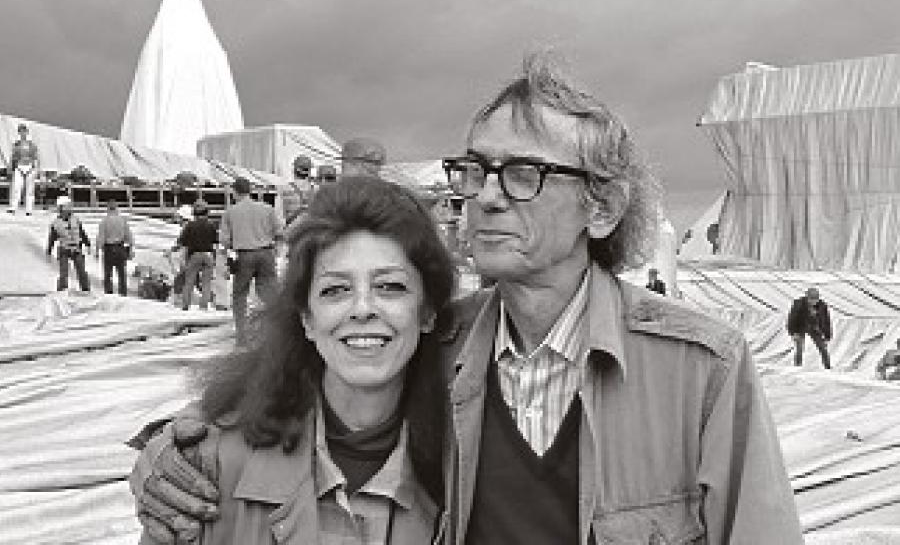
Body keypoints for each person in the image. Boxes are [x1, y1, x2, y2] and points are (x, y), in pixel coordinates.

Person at [129, 53, 803, 543]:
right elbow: (295, 390)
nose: (484, 194)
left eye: (523, 173)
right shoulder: (433, 339)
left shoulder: (698, 372)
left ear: (603, 209)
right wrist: (169, 452)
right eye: (476, 169)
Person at [131, 176, 452, 544]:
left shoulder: (466, 472)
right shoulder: (209, 466)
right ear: (307, 319)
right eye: (336, 290)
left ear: (427, 312)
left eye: (390, 286)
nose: (362, 308)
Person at [219, 177, 283, 345]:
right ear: (250, 191)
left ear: (234, 192)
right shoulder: (267, 209)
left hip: (244, 256)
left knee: (240, 295)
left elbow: (224, 242)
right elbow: (279, 232)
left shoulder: (230, 212)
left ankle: (242, 337)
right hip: (266, 254)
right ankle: (281, 332)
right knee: (270, 294)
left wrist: (227, 262)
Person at [175, 200, 218, 311]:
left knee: (189, 282)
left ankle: (185, 306)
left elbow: (183, 244)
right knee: (206, 283)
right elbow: (216, 243)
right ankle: (203, 306)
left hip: (194, 256)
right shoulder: (211, 225)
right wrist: (215, 258)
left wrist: (182, 259)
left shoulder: (190, 226)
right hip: (208, 255)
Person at [46, 196, 91, 292]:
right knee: (64, 272)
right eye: (67, 207)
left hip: (76, 247)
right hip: (64, 249)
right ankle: (62, 289)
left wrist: (88, 244)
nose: (69, 209)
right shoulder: (56, 223)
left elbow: (81, 232)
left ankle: (85, 289)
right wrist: (49, 251)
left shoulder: (75, 219)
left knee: (81, 271)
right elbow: (52, 238)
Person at [95, 199, 134, 295]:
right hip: (120, 248)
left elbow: (101, 237)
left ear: (107, 208)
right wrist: (131, 248)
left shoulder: (104, 222)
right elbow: (129, 236)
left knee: (108, 274)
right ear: (117, 208)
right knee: (122, 274)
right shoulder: (122, 220)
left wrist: (97, 250)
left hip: (108, 249)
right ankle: (123, 293)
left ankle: (109, 294)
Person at [787, 286, 832, 369]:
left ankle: (828, 367)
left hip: (814, 327)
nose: (813, 302)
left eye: (815, 300)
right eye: (811, 299)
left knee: (822, 347)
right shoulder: (798, 304)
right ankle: (797, 366)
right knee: (799, 347)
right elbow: (792, 318)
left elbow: (826, 321)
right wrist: (793, 333)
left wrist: (827, 336)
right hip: (800, 327)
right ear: (807, 297)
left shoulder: (822, 306)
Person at [7, 123, 40, 215]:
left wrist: (36, 169)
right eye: (21, 131)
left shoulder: (32, 145)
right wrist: (10, 167)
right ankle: (13, 207)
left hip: (29, 167)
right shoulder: (16, 145)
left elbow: (36, 158)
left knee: (30, 189)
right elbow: (13, 157)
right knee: (17, 187)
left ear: (27, 132)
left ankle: (29, 209)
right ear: (19, 133)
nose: (22, 133)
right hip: (19, 167)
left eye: (24, 131)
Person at [275, 154, 315, 226]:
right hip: (311, 233)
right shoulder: (317, 191)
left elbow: (279, 220)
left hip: (291, 232)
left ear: (294, 170)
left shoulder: (283, 189)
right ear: (309, 171)